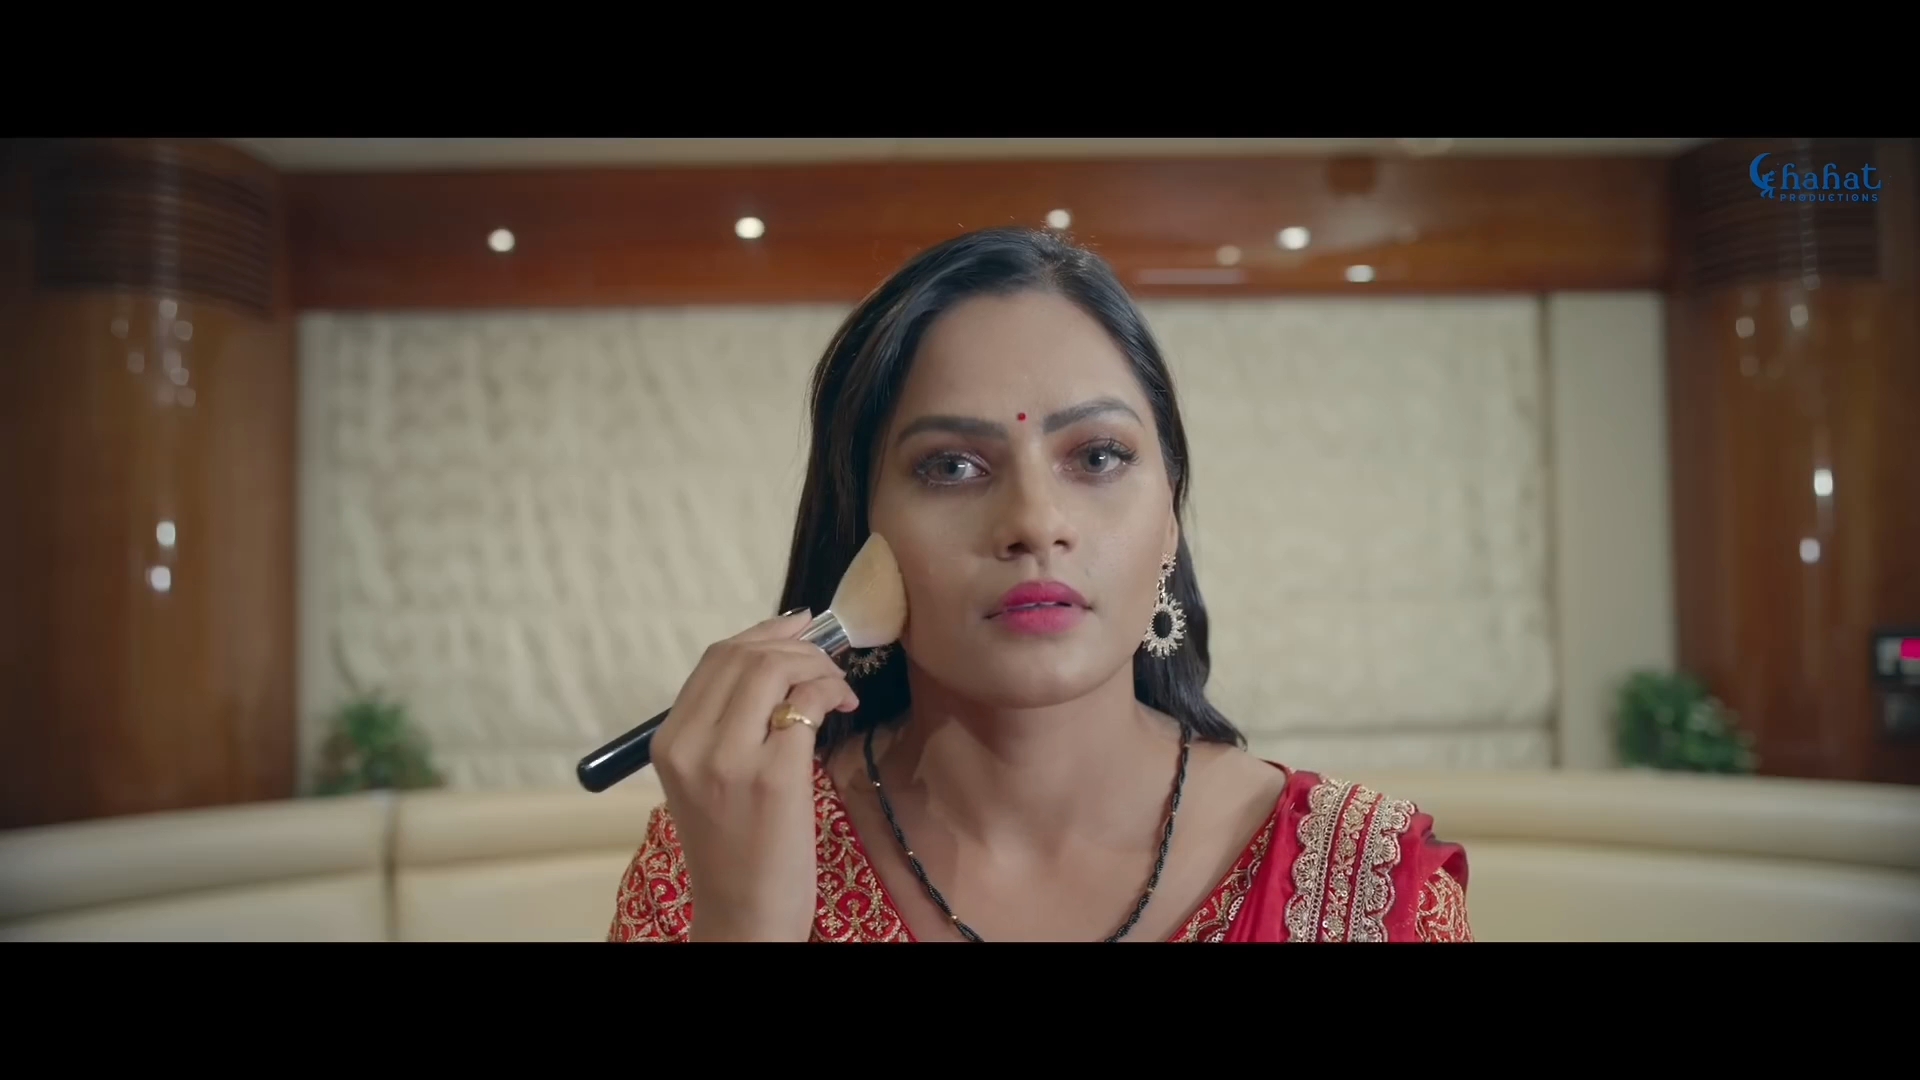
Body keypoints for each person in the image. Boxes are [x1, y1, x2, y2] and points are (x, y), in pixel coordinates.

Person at [607, 227, 1472, 943]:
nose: (1034, 520)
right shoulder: (714, 856)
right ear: (860, 527)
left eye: (1098, 456)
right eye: (951, 466)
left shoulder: (1372, 889)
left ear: (1170, 518)